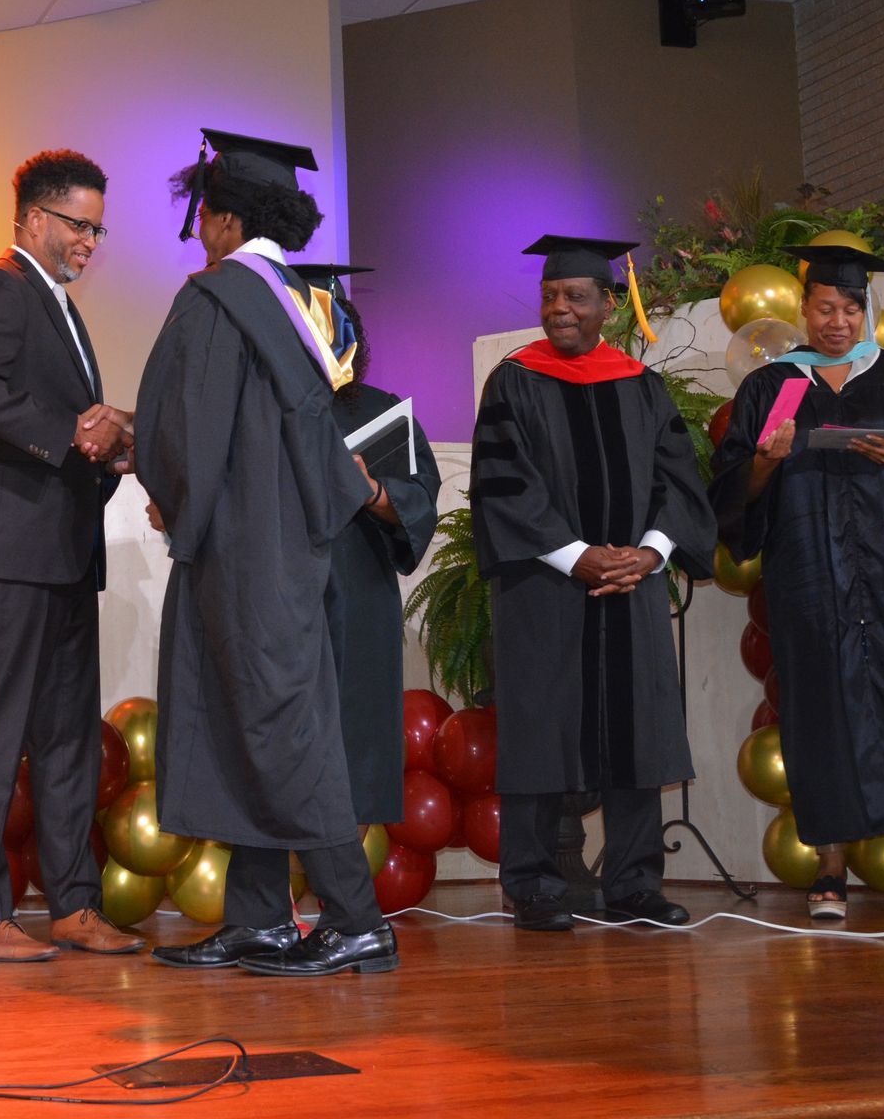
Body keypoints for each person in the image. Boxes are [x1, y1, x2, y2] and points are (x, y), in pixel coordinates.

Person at [139, 130, 396, 978]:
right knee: (250, 721)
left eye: (204, 220)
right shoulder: (306, 304)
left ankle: (356, 920)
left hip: (240, 551)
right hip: (291, 551)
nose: (200, 235)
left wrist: (172, 497)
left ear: (222, 220)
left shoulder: (215, 298)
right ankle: (260, 919)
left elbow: (188, 424)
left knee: (280, 732)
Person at [708, 244, 884, 922]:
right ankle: (829, 867)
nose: (838, 321)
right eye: (826, 307)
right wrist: (766, 462)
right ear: (804, 310)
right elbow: (733, 492)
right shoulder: (775, 387)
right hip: (811, 578)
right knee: (819, 709)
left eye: (851, 308)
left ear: (865, 311)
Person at [0, 149, 142, 963]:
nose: (89, 241)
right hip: (10, 548)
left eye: (98, 230)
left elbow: (68, 425)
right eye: (78, 225)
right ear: (31, 218)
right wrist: (69, 434)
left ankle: (73, 905)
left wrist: (109, 448)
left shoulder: (59, 305)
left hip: (63, 550)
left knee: (67, 738)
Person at [469, 235, 716, 933]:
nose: (560, 309)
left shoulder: (640, 385)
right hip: (544, 589)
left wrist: (651, 553)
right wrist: (574, 555)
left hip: (631, 586)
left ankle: (635, 884)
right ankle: (534, 884)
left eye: (576, 297)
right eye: (550, 296)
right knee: (541, 731)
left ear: (609, 305)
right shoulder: (514, 381)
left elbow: (678, 480)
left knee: (638, 731)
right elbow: (503, 486)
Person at [307, 271, 442, 827]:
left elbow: (420, 500)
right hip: (282, 597)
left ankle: (347, 875)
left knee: (356, 741)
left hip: (358, 594)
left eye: (336, 328)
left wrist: (374, 492)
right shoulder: (255, 409)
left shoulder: (382, 413)